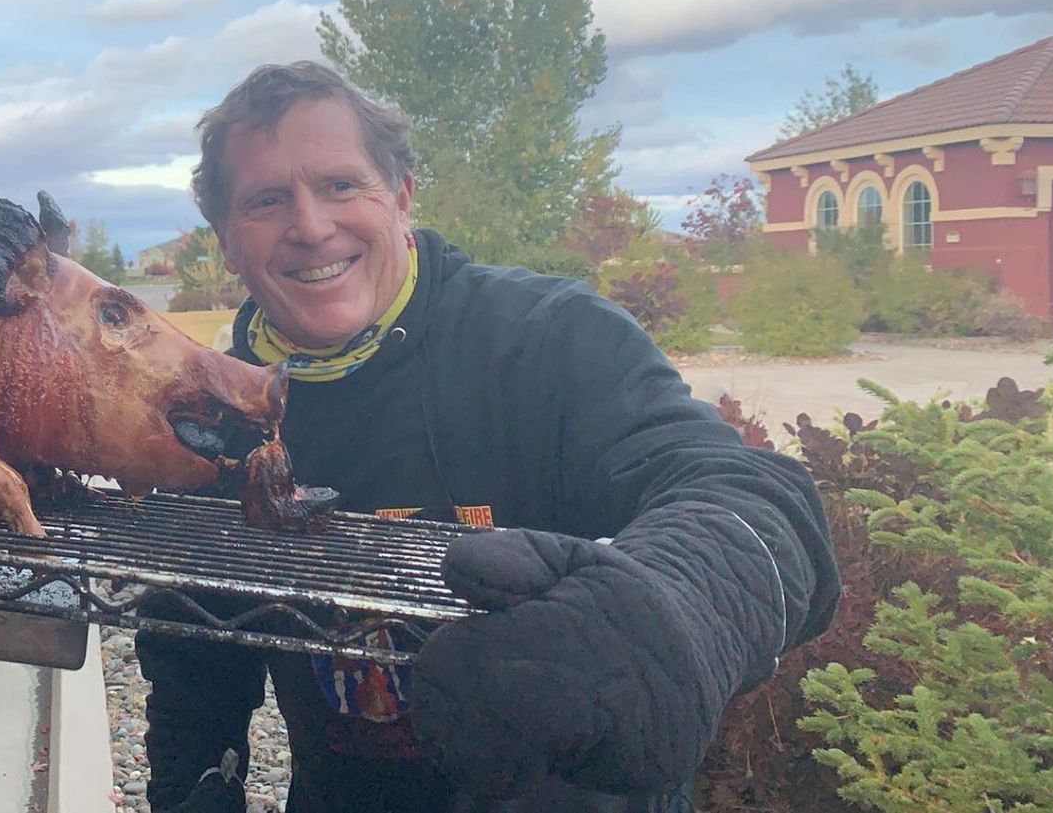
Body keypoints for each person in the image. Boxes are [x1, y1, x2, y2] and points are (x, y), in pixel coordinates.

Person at [137, 62, 840, 812]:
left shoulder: (549, 338)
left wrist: (681, 606)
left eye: (342, 185)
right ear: (225, 241)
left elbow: (761, 501)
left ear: (402, 196)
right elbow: (193, 657)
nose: (310, 227)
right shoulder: (213, 416)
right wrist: (195, 788)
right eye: (266, 200)